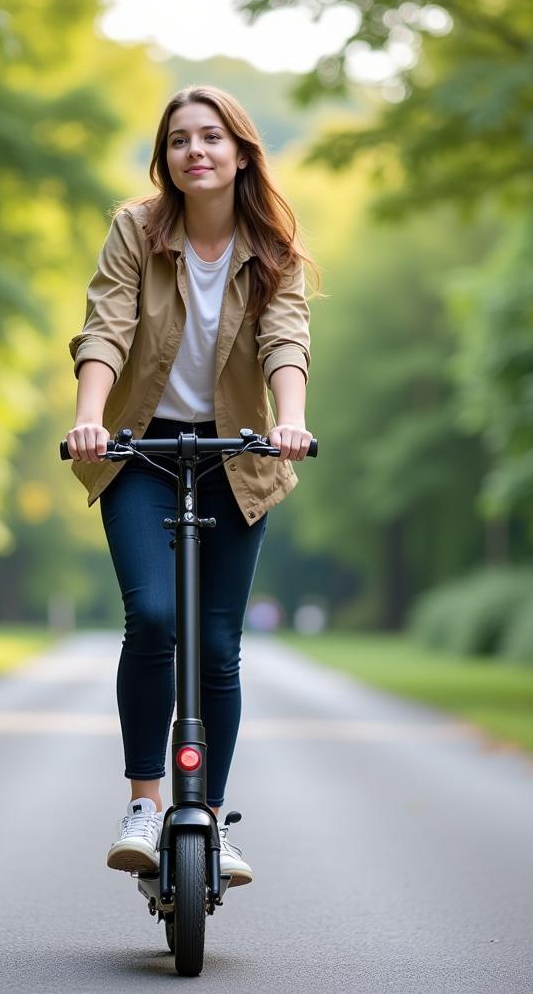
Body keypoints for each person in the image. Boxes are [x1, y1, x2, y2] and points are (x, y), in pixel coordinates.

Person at [66, 84, 315, 887]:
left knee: (215, 645)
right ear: (165, 157)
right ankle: (144, 803)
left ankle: (206, 814)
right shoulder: (137, 229)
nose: (195, 151)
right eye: (179, 140)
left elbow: (286, 337)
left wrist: (290, 420)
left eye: (211, 138)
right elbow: (106, 323)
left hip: (237, 452)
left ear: (241, 152)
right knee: (153, 616)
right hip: (139, 449)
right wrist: (89, 419)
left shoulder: (271, 245)